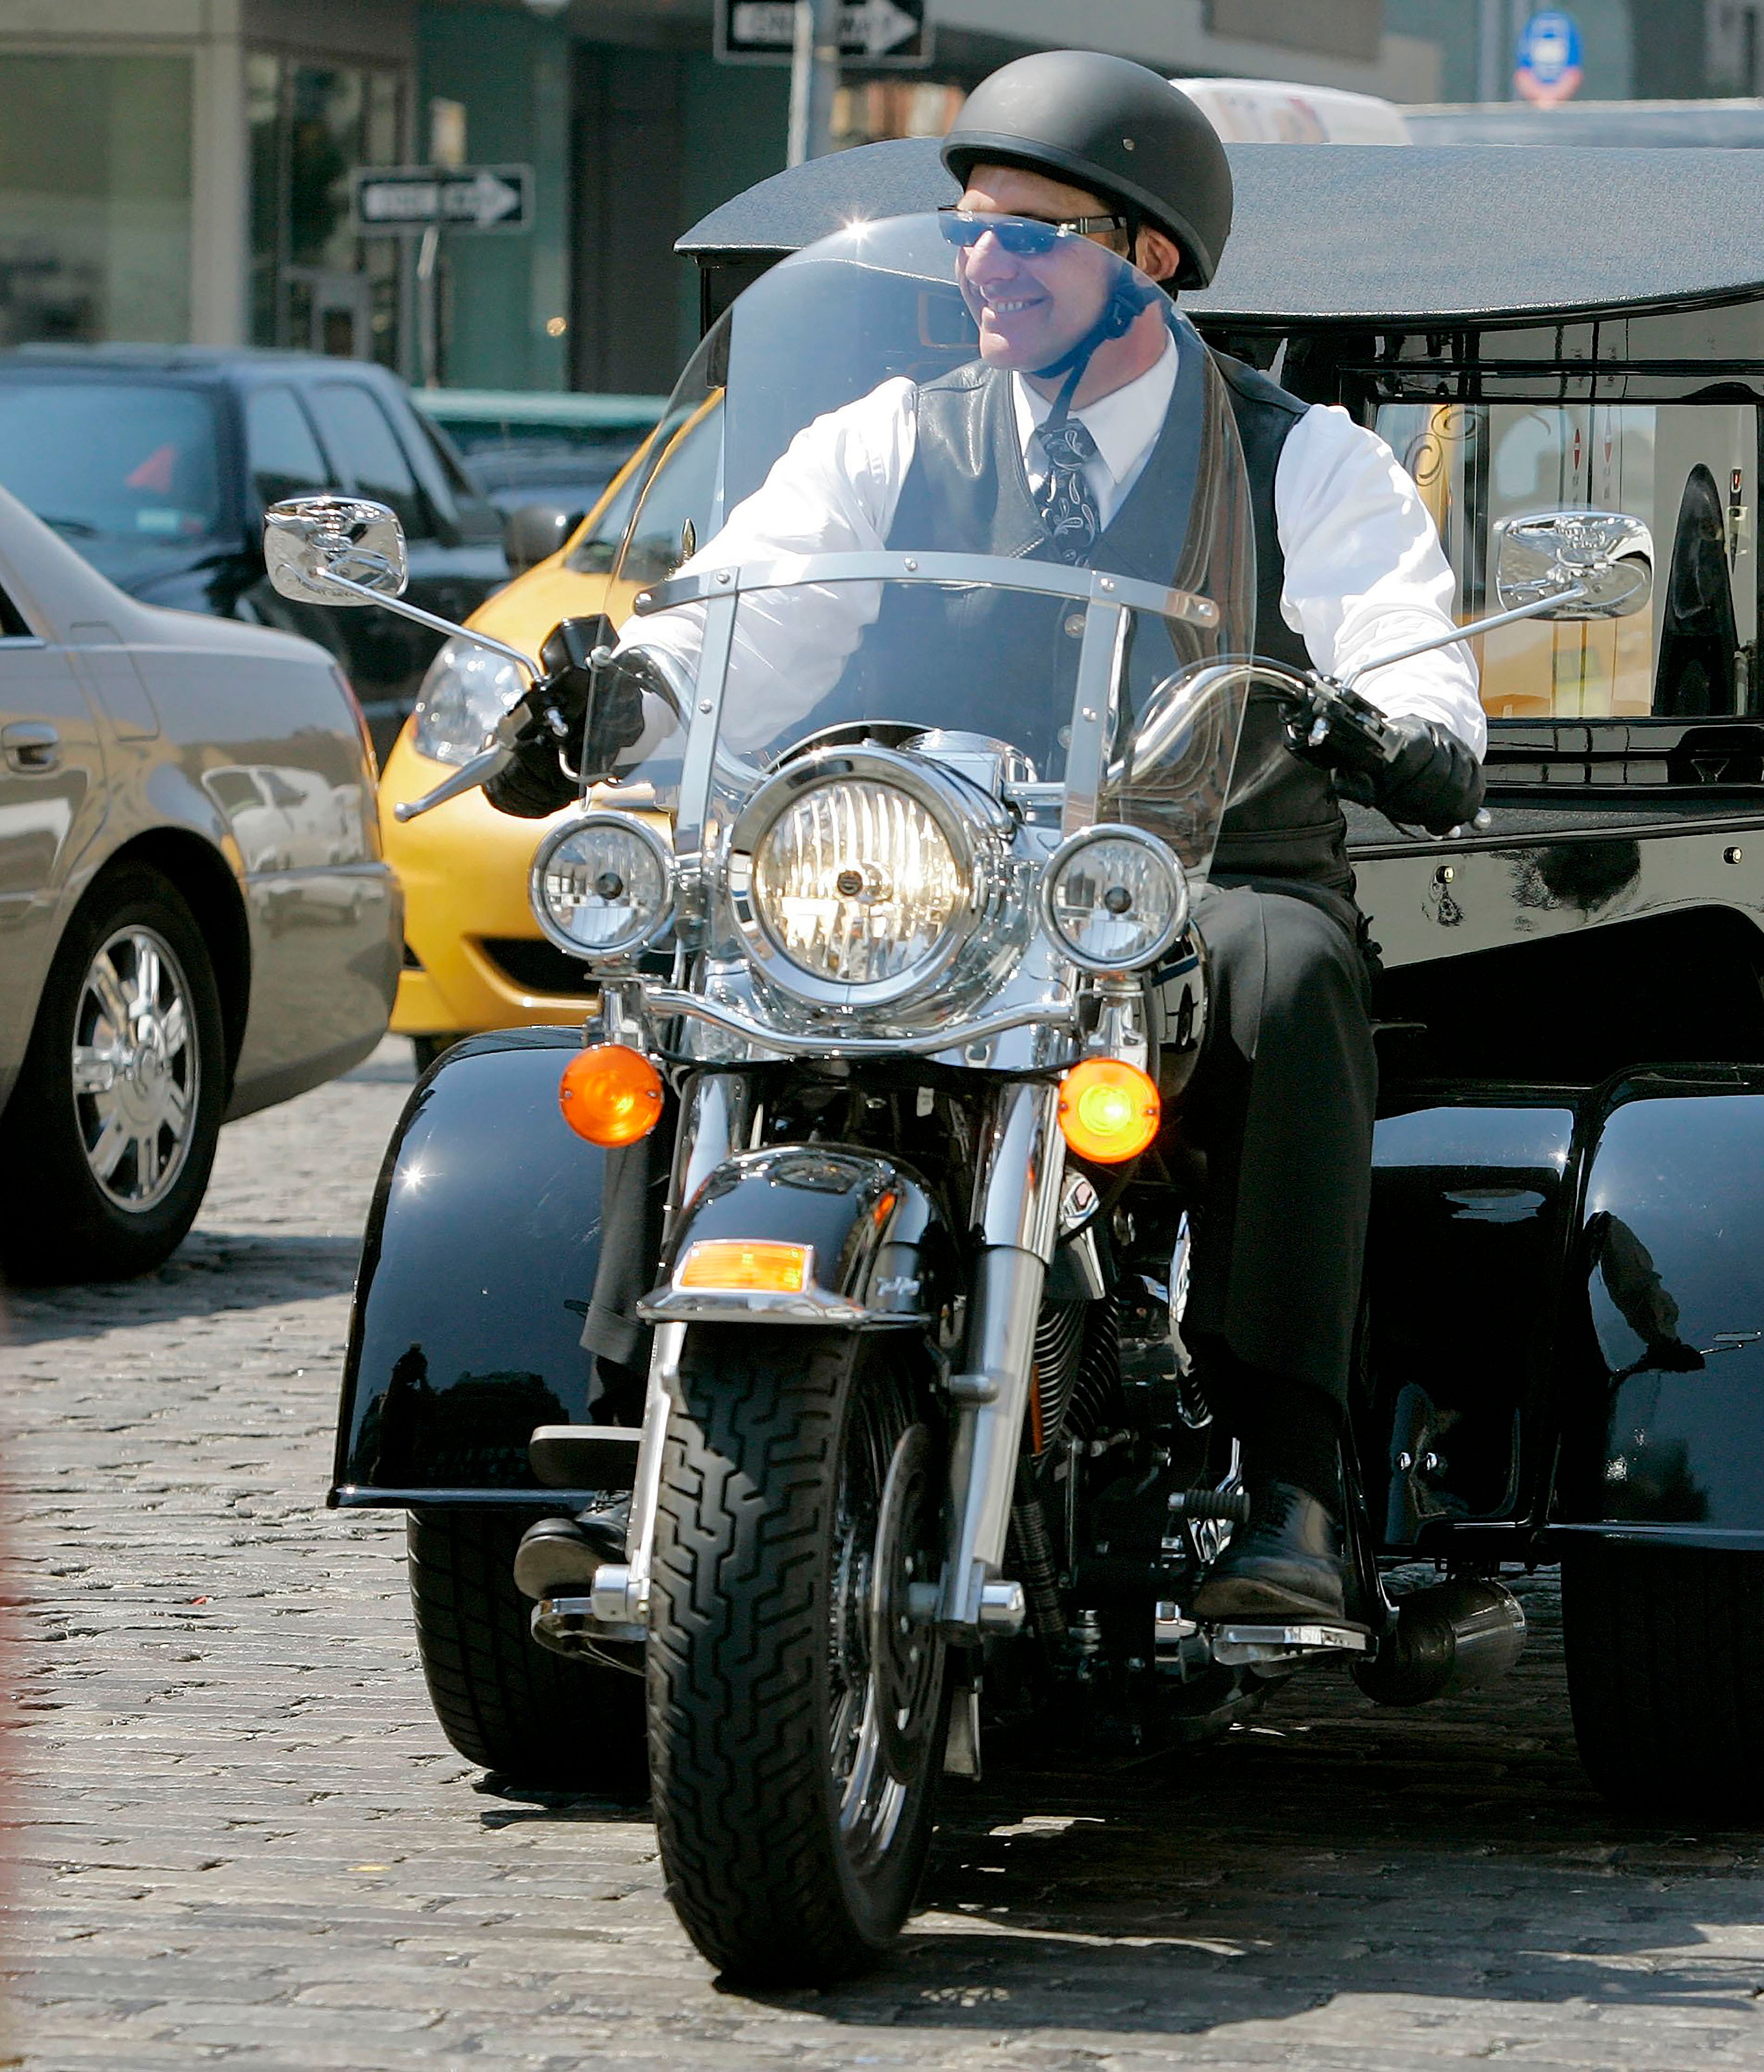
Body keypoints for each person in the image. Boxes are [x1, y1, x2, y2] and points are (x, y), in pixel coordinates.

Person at [488, 51, 1484, 1630]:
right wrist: (622, 700)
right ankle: (643, 1432)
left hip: (1185, 877)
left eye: (1029, 233)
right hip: (933, 872)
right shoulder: (893, 437)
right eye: (967, 226)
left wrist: (1396, 718)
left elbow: (1413, 658)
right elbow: (756, 610)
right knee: (699, 946)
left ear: (1145, 259)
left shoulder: (1304, 459)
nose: (981, 263)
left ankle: (1294, 1481)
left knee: (1294, 973)